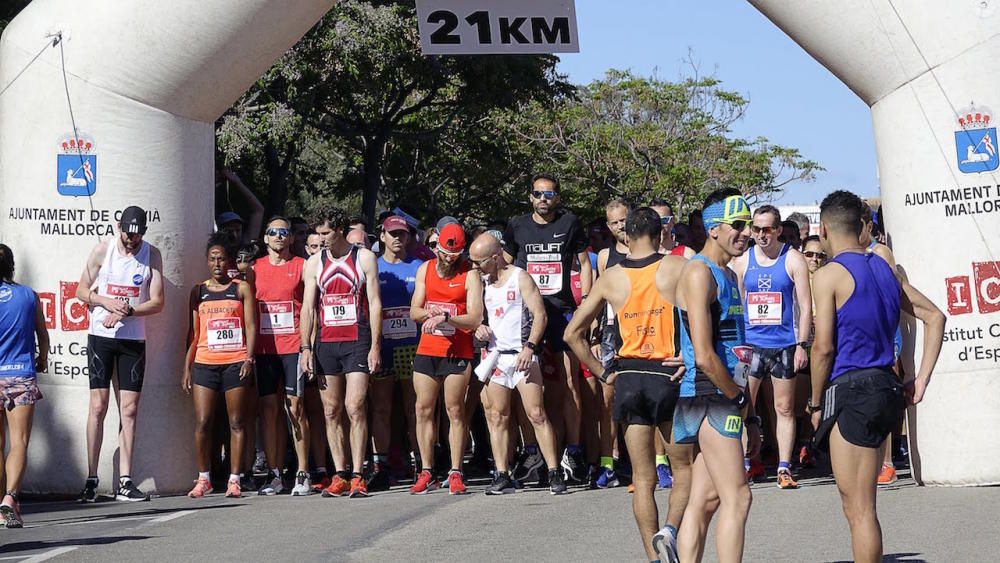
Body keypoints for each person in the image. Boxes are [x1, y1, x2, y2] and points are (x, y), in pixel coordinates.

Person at [809, 190, 945, 563]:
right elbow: (935, 317)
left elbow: (822, 349)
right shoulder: (885, 269)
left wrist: (815, 402)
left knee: (859, 510)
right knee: (859, 505)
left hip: (852, 388)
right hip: (886, 386)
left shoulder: (828, 275)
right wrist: (921, 378)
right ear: (862, 227)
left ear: (824, 229)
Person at [566, 207, 694, 563]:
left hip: (629, 376)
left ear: (625, 236)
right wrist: (693, 357)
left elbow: (572, 334)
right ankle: (670, 530)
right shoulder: (677, 267)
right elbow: (703, 316)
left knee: (642, 477)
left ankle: (653, 558)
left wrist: (604, 372)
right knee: (684, 469)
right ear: (660, 233)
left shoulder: (610, 277)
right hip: (669, 373)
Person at [673, 189, 759, 563]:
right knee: (738, 497)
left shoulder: (727, 273)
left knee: (705, 499)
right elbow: (706, 355)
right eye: (738, 226)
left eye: (748, 226)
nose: (746, 233)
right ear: (713, 229)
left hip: (726, 393)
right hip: (711, 394)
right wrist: (737, 400)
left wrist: (751, 414)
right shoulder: (699, 273)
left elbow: (736, 353)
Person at [503, 173, 593, 483]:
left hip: (562, 312)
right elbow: (505, 266)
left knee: (570, 382)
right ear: (530, 197)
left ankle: (574, 450)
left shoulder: (569, 223)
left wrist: (586, 308)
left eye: (550, 194)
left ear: (558, 197)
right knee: (524, 383)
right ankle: (532, 453)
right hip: (525, 317)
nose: (544, 199)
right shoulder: (517, 225)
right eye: (539, 194)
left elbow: (585, 263)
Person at [76, 206, 165, 503]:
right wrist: (104, 301)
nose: (132, 239)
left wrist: (128, 311)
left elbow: (157, 302)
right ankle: (91, 478)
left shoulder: (151, 255)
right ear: (119, 227)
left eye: (138, 234)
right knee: (98, 407)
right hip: (101, 336)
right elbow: (81, 290)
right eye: (128, 233)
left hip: (132, 339)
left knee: (129, 409)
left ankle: (125, 480)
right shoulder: (103, 250)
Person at [469, 233, 566, 495]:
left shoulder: (520, 277)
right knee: (497, 416)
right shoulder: (482, 282)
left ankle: (554, 471)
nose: (476, 267)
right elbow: (476, 316)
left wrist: (531, 346)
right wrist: (479, 329)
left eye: (480, 262)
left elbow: (540, 315)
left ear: (496, 257)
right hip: (496, 356)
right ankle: (502, 473)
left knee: (536, 413)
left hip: (522, 354)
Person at [300, 208, 382, 498]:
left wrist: (375, 345)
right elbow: (308, 307)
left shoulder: (364, 258)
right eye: (318, 234)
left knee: (355, 405)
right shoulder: (313, 264)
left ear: (340, 230)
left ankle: (359, 473)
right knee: (331, 410)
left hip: (356, 339)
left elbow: (374, 303)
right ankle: (341, 473)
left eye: (325, 233)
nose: (321, 239)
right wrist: (305, 347)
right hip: (325, 341)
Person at [732, 205, 812, 489]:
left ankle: (783, 467)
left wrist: (802, 345)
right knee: (741, 406)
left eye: (767, 229)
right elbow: (736, 306)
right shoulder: (742, 261)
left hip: (783, 346)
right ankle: (743, 464)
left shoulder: (793, 259)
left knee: (784, 408)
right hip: (750, 346)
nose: (761, 235)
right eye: (756, 229)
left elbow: (805, 306)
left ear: (778, 230)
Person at [409, 224, 483, 495]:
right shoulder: (425, 269)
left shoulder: (470, 275)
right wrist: (431, 314)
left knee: (455, 410)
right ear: (437, 248)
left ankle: (455, 470)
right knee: (423, 409)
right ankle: (426, 469)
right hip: (428, 349)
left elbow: (475, 318)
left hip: (457, 351)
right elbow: (414, 311)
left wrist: (447, 317)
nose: (450, 258)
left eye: (456, 254)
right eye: (446, 252)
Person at [183, 233, 257, 499]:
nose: (217, 264)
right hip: (205, 362)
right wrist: (186, 366)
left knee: (236, 421)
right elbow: (193, 333)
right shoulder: (198, 291)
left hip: (235, 362)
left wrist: (249, 357)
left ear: (229, 262)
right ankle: (204, 478)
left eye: (222, 259)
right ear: (207, 261)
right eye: (213, 259)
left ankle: (234, 479)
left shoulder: (241, 288)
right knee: (203, 422)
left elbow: (251, 326)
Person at [252, 217, 312, 496]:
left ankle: (302, 472)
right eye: (273, 232)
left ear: (290, 239)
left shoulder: (300, 265)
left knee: (295, 409)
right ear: (265, 238)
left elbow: (310, 306)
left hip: (292, 347)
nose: (278, 236)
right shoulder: (256, 269)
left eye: (283, 233)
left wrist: (306, 346)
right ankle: (274, 474)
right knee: (268, 410)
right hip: (265, 350)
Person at [369, 215, 423, 491]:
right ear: (382, 236)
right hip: (382, 346)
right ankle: (381, 465)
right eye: (393, 234)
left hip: (412, 346)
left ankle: (420, 464)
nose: (398, 238)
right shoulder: (373, 267)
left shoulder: (420, 266)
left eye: (403, 233)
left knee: (415, 407)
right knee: (381, 408)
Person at [0, 245, 49, 527]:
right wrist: (42, 358)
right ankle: (9, 498)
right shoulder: (29, 295)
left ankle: (1, 504)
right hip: (21, 375)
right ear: (12, 267)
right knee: (19, 442)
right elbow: (42, 334)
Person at [592, 199, 631, 488]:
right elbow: (598, 298)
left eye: (624, 220)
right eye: (615, 222)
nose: (620, 226)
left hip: (641, 331)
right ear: (608, 226)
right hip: (610, 333)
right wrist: (594, 336)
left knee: (643, 397)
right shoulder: (605, 256)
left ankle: (657, 462)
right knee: (607, 401)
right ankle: (609, 461)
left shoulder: (647, 250)